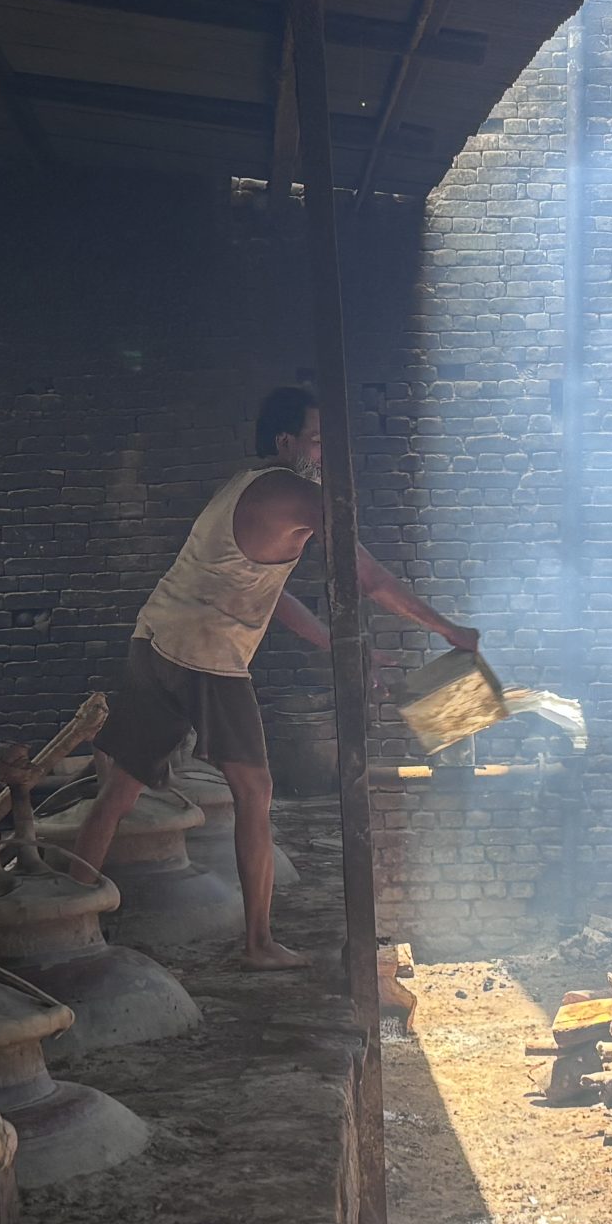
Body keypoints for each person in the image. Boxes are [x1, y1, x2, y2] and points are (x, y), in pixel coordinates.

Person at [79, 384, 477, 967]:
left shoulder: (243, 486)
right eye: (316, 441)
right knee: (256, 791)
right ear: (286, 441)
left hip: (157, 638)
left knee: (119, 792)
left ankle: (72, 915)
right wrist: (449, 632)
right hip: (208, 658)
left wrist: (343, 649)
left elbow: (273, 593)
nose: (323, 455)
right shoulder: (295, 493)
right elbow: (368, 577)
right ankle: (259, 943)